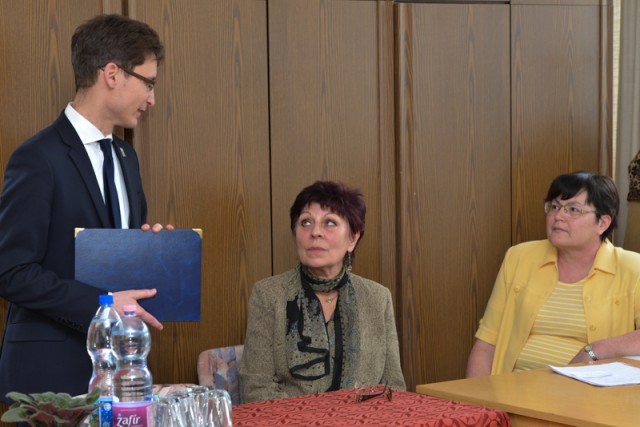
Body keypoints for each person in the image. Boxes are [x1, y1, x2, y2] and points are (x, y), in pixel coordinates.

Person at [0, 14, 172, 400]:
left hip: (124, 375)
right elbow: (10, 271)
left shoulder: (127, 158)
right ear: (112, 74)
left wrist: (154, 250)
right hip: (53, 382)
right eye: (149, 83)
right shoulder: (37, 158)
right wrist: (102, 305)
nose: (152, 99)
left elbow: (119, 265)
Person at [239, 180, 406, 403]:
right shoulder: (268, 294)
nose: (315, 232)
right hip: (290, 420)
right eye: (306, 222)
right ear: (295, 234)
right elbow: (256, 388)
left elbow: (393, 387)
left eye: (330, 223)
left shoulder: (378, 297)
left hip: (365, 419)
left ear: (353, 238)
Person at [466, 171, 640, 377]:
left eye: (573, 209)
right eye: (554, 206)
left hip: (586, 394)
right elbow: (487, 344)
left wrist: (596, 349)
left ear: (602, 223)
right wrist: (477, 396)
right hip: (509, 388)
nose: (558, 216)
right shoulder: (519, 257)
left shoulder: (632, 269)